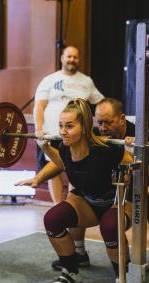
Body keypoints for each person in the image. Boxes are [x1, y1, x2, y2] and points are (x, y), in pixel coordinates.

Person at [50, 97, 149, 283]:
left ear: (121, 119)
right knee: (77, 195)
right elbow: (65, 160)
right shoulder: (92, 135)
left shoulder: (141, 134)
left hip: (148, 184)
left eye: (107, 122)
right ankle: (78, 255)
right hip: (116, 187)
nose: (102, 127)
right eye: (98, 122)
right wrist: (38, 176)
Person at [18, 98, 133, 283]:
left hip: (118, 200)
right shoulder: (64, 148)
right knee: (53, 219)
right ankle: (71, 272)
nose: (63, 131)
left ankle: (123, 281)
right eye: (61, 126)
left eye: (70, 126)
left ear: (85, 127)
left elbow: (138, 167)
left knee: (110, 225)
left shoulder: (106, 149)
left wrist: (131, 165)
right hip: (89, 202)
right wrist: (43, 159)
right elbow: (63, 164)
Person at [33, 45, 104, 203]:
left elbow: (101, 103)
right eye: (69, 56)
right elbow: (39, 106)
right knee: (55, 170)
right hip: (53, 133)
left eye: (75, 57)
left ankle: (73, 203)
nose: (72, 59)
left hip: (79, 135)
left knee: (77, 168)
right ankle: (57, 205)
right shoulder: (49, 80)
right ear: (62, 58)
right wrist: (38, 128)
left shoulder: (86, 81)